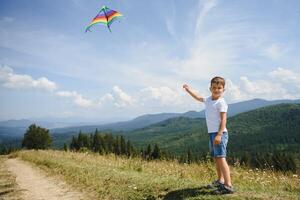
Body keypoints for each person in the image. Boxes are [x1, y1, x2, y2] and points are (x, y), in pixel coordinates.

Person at [183, 76, 234, 194]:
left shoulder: (221, 102)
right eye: (214, 87)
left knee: (221, 158)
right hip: (212, 133)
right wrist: (188, 90)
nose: (216, 90)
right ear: (210, 88)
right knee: (217, 158)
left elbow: (223, 120)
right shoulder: (208, 100)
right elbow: (198, 97)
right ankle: (220, 181)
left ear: (223, 90)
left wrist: (219, 135)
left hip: (220, 133)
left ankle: (228, 185)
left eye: (219, 88)